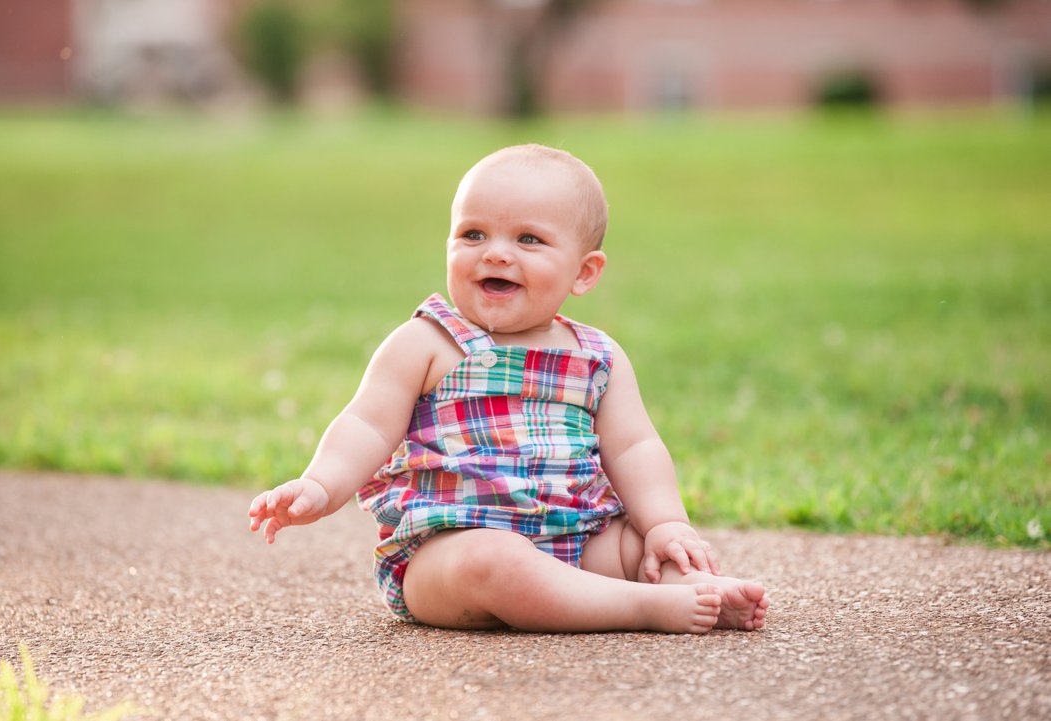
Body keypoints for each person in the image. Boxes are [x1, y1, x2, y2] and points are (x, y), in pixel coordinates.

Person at [248, 144, 769, 634]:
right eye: (473, 235)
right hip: (449, 554)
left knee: (639, 549)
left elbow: (635, 446)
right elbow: (366, 423)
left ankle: (698, 592)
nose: (495, 254)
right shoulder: (428, 341)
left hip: (579, 538)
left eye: (528, 239)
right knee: (494, 561)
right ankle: (642, 606)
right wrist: (320, 486)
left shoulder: (596, 356)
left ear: (584, 272)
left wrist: (665, 525)